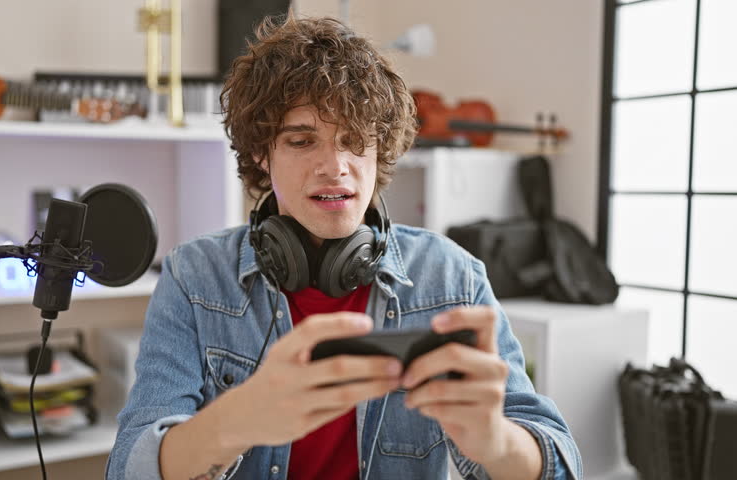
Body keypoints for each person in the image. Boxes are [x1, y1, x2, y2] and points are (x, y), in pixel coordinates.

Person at [107, 14, 582, 480]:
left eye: (355, 141)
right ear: (261, 152)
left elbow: (561, 464)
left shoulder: (452, 275)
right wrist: (240, 419)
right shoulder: (194, 275)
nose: (335, 167)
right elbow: (129, 467)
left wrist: (495, 441)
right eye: (301, 140)